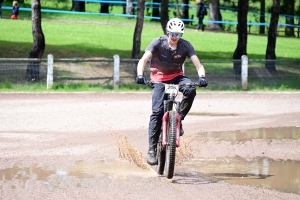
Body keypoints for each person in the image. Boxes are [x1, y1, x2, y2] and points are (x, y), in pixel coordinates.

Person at [136, 18, 208, 165]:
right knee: (156, 112)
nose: (175, 37)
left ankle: (179, 118)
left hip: (177, 77)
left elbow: (198, 64)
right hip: (158, 79)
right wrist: (140, 75)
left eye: (179, 34)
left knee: (190, 89)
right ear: (168, 31)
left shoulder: (185, 46)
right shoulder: (157, 42)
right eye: (173, 33)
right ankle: (151, 149)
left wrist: (202, 77)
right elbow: (143, 60)